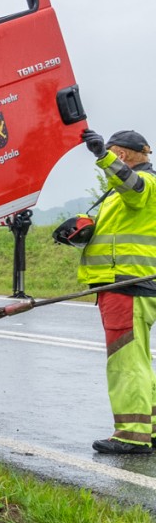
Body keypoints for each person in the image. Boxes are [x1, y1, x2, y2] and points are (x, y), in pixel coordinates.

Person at [78, 128, 156, 454]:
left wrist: (101, 156)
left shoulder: (145, 182)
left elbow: (132, 186)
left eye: (113, 153)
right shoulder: (120, 194)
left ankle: (131, 435)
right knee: (137, 360)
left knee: (125, 362)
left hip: (126, 285)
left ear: (121, 154)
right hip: (127, 284)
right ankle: (147, 430)